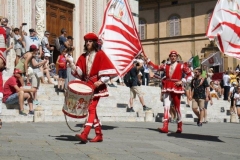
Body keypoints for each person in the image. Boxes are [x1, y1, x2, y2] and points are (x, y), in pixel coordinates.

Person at [67, 33, 117, 143]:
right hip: (87, 86)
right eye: (87, 41)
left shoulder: (100, 54)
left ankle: (85, 134)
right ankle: (99, 134)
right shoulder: (83, 56)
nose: (88, 43)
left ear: (94, 43)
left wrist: (101, 81)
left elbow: (108, 71)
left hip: (96, 86)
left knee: (91, 109)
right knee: (92, 109)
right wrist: (71, 63)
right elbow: (79, 72)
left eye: (90, 41)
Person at [145, 50, 192, 133]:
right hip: (167, 86)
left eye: (174, 56)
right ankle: (165, 126)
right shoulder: (165, 65)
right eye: (171, 56)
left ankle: (179, 126)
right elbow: (156, 68)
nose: (173, 57)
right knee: (166, 106)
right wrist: (148, 61)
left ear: (176, 57)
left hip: (177, 87)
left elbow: (190, 74)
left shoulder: (181, 66)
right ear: (170, 57)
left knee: (177, 107)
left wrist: (182, 81)